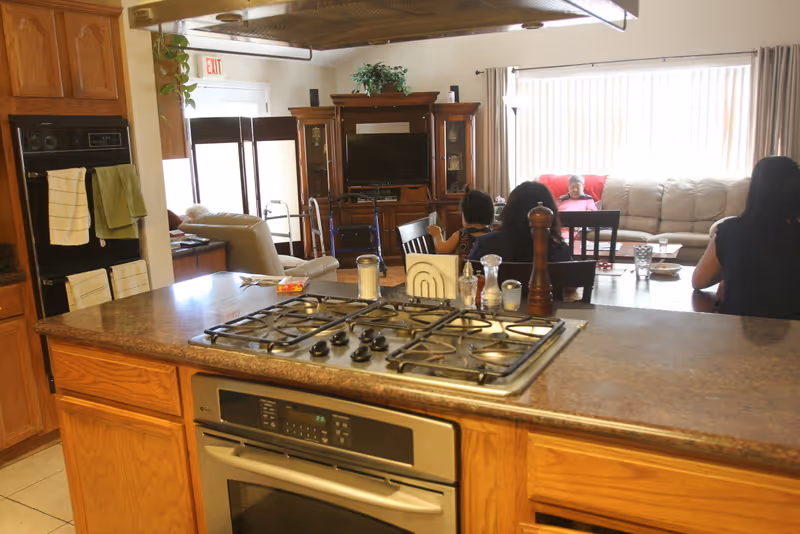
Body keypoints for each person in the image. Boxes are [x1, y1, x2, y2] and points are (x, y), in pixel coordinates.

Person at [692, 156, 800, 319]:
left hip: (738, 335)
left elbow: (699, 281)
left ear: (754, 189)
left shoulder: (729, 230)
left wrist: (727, 275)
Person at [469, 181, 572, 263]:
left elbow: (469, 281)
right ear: (551, 213)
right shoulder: (561, 251)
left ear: (510, 210)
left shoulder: (486, 244)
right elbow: (570, 288)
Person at [428, 188, 494, 260]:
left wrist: (437, 235)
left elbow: (442, 250)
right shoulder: (491, 235)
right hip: (487, 270)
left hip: (464, 271)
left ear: (465, 214)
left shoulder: (461, 235)